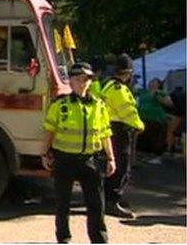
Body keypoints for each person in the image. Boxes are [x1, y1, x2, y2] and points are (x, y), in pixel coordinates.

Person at [42, 62, 116, 243]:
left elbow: (105, 133)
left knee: (96, 204)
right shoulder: (61, 105)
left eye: (86, 79)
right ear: (71, 82)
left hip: (90, 159)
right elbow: (50, 131)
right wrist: (45, 154)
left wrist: (111, 158)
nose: (83, 83)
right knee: (62, 204)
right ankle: (64, 238)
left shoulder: (98, 105)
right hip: (64, 159)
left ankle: (99, 239)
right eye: (78, 79)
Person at [100, 54, 144, 219]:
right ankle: (113, 201)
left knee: (112, 165)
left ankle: (108, 199)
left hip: (110, 129)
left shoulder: (108, 85)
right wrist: (139, 125)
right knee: (121, 165)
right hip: (119, 130)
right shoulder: (119, 89)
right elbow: (128, 112)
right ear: (127, 73)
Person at [136, 78, 173, 164]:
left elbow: (169, 103)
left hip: (156, 119)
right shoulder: (143, 92)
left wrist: (158, 97)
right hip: (143, 119)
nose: (151, 83)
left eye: (154, 82)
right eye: (151, 81)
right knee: (145, 139)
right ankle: (147, 156)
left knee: (157, 139)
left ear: (158, 85)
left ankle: (157, 157)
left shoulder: (161, 93)